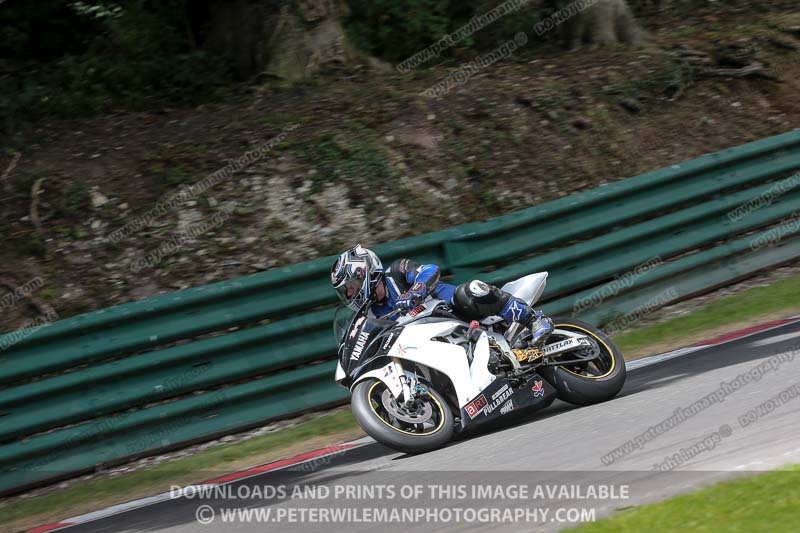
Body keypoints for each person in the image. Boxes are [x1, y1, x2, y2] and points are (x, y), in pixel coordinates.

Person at [330, 244, 553, 347]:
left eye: (350, 285)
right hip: (430, 340)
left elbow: (430, 270)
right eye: (345, 291)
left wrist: (416, 290)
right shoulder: (370, 314)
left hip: (457, 311)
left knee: (470, 290)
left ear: (364, 272)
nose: (350, 293)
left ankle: (534, 320)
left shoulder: (397, 271)